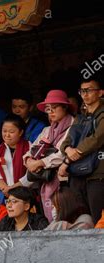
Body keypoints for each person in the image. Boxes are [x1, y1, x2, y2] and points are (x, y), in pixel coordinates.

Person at [24, 90, 75, 222]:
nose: (50, 112)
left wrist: (40, 163)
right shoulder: (47, 130)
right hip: (46, 179)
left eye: (54, 108)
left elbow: (62, 153)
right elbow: (31, 149)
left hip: (66, 180)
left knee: (65, 214)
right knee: (49, 213)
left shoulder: (74, 127)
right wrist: (29, 160)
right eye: (48, 109)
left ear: (65, 107)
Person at [59, 77, 104, 224]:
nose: (85, 94)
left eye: (89, 90)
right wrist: (67, 149)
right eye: (82, 91)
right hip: (78, 174)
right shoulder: (80, 118)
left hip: (97, 173)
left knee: (98, 216)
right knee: (81, 218)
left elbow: (96, 139)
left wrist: (71, 156)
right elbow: (65, 143)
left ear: (100, 92)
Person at [0, 114, 32, 201]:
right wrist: (5, 188)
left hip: (25, 193)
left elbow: (31, 175)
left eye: (11, 132)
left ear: (21, 132)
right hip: (6, 195)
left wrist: (13, 188)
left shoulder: (30, 147)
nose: (7, 135)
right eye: (4, 131)